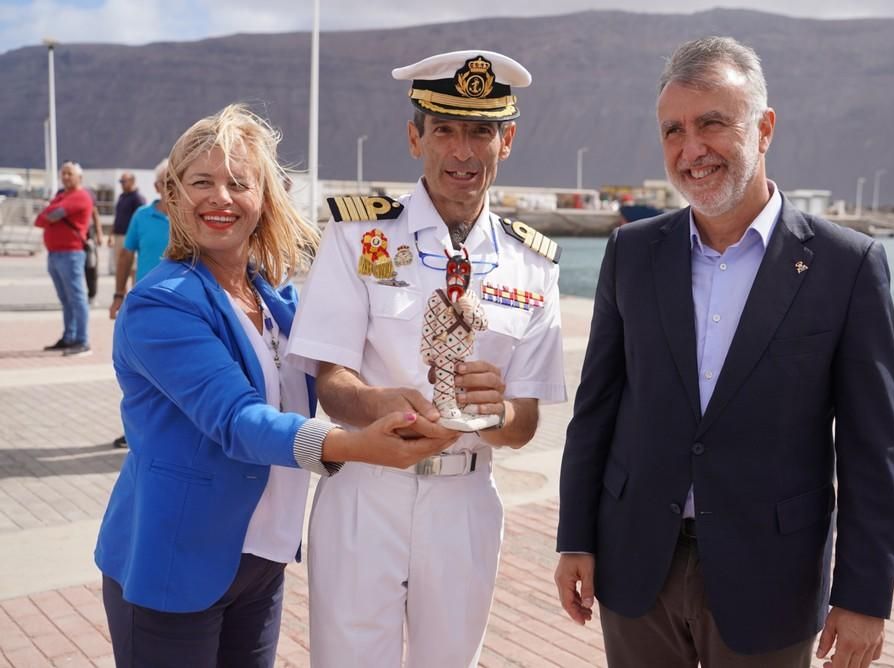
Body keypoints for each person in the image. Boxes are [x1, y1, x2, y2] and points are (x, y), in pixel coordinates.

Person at [554, 36, 894, 668]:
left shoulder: (846, 267)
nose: (692, 150)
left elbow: (871, 449)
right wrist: (575, 536)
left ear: (763, 128)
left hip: (772, 578)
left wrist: (864, 596)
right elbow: (596, 411)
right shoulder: (631, 254)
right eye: (673, 131)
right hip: (636, 569)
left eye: (712, 123)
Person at [94, 104, 456, 668]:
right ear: (172, 195)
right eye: (201, 182)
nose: (221, 197)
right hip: (177, 561)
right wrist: (357, 446)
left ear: (264, 199)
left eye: (240, 183)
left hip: (260, 558)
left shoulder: (276, 301)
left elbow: (352, 366)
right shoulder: (161, 304)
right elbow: (236, 421)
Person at [286, 50, 566, 667]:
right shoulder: (359, 236)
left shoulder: (533, 264)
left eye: (480, 132)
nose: (463, 152)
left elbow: (524, 424)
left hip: (465, 500)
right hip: (366, 489)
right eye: (445, 130)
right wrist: (374, 403)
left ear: (507, 140)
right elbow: (330, 377)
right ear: (416, 136)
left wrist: (495, 414)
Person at [107, 158, 171, 449]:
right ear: (157, 186)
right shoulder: (142, 216)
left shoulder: (194, 217)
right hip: (145, 307)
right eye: (166, 183)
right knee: (138, 376)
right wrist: (119, 295)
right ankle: (135, 430)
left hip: (182, 308)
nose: (172, 189)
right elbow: (125, 256)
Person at [34, 161, 93, 357]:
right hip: (55, 255)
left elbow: (50, 216)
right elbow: (40, 220)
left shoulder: (80, 197)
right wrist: (50, 211)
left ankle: (82, 341)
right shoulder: (62, 196)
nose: (65, 177)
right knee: (66, 300)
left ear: (79, 177)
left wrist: (50, 210)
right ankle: (69, 337)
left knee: (77, 298)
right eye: (63, 173)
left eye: (70, 173)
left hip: (71, 254)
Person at [108, 171, 146, 276]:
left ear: (132, 181)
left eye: (124, 181)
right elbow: (117, 217)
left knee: (132, 267)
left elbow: (142, 220)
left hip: (130, 237)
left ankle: (133, 290)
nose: (121, 184)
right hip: (118, 236)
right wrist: (111, 235)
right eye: (120, 181)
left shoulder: (138, 198)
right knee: (120, 266)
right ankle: (121, 291)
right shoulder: (121, 197)